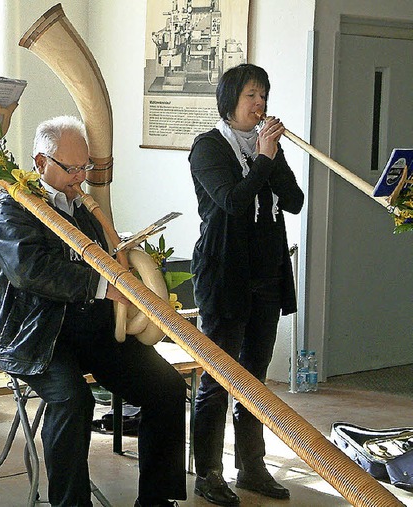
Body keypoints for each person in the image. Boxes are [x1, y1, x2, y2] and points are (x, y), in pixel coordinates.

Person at [0, 115, 187, 507]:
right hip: (33, 334)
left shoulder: (86, 210)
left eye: (84, 167)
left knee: (166, 387)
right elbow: (30, 270)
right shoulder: (13, 208)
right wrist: (103, 285)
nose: (80, 177)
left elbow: (101, 259)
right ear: (41, 164)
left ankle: (157, 501)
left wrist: (126, 254)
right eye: (71, 168)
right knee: (74, 399)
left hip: (88, 327)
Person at [188, 63, 304, 506]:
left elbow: (293, 201)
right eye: (251, 96)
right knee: (219, 378)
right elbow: (234, 202)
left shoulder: (267, 146)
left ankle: (251, 467)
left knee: (253, 378)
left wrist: (269, 159)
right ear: (230, 100)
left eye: (264, 96)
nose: (260, 105)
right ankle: (209, 473)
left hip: (267, 274)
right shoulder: (207, 148)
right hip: (224, 274)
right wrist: (263, 159)